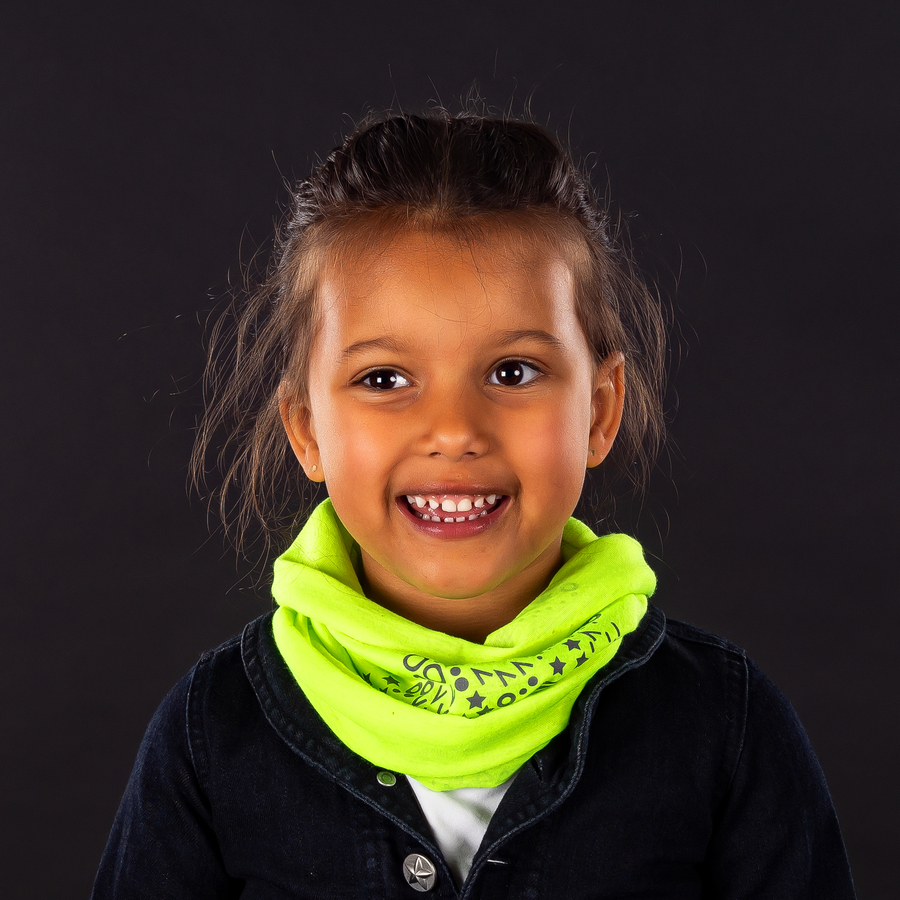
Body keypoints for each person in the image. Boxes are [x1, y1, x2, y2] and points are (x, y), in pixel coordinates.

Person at [92, 109, 856, 898]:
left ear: (599, 412)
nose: (454, 431)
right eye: (385, 379)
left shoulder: (723, 723)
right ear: (307, 429)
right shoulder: (210, 732)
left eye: (513, 372)